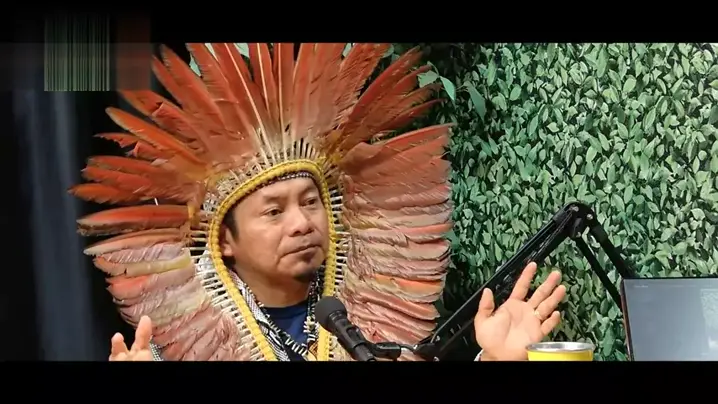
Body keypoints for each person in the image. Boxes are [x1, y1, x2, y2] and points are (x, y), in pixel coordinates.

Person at [71, 43, 566, 362]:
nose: (301, 223)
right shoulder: (173, 350)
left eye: (310, 203)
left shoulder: (362, 329)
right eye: (273, 211)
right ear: (224, 240)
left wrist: (495, 359)